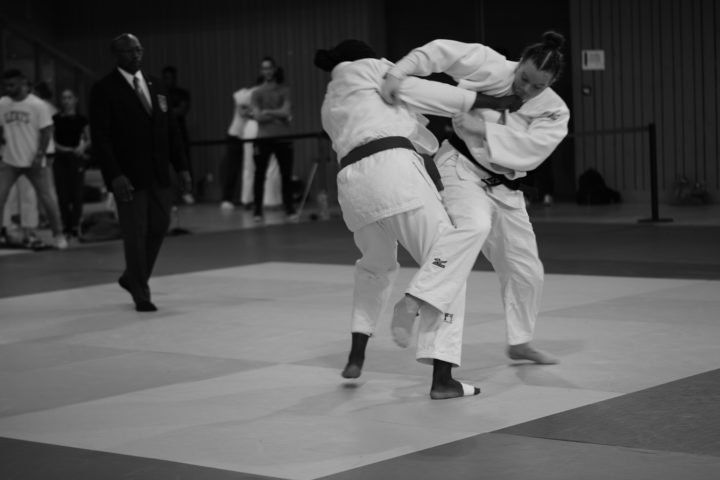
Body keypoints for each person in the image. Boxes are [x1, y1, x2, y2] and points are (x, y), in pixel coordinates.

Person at [316, 39, 522, 399]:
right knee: (448, 260)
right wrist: (491, 103)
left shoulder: (331, 100)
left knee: (375, 265)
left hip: (353, 187)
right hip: (394, 172)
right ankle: (442, 378)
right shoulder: (376, 70)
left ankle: (357, 352)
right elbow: (429, 94)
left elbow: (404, 129)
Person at [381, 32, 570, 364]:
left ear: (551, 84)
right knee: (475, 225)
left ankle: (520, 341)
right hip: (461, 166)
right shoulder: (491, 66)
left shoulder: (554, 110)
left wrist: (484, 129)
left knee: (526, 269)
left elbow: (534, 150)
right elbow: (440, 51)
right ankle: (411, 301)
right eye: (524, 78)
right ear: (520, 63)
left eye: (537, 86)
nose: (526, 89)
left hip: (505, 186)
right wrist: (398, 72)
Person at [89, 33, 191, 312]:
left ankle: (131, 277)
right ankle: (141, 292)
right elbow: (101, 138)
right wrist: (115, 175)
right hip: (128, 175)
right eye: (128, 51)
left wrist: (182, 167)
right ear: (116, 55)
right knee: (135, 232)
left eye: (138, 50)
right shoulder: (104, 89)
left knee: (159, 225)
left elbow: (172, 130)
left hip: (159, 171)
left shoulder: (156, 84)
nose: (135, 55)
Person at [0, 69, 67, 250]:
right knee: (1, 196)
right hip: (10, 160)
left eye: (12, 85)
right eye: (6, 85)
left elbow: (46, 131)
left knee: (47, 198)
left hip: (33, 161)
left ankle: (59, 234)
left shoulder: (38, 105)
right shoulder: (3, 103)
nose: (8, 89)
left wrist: (39, 155)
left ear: (22, 83)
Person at [249, 56, 296, 222]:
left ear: (274, 69)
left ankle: (289, 207)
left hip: (283, 137)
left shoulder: (285, 89)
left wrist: (268, 112)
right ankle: (257, 209)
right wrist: (277, 115)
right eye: (264, 68)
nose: (267, 71)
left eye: (269, 68)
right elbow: (257, 116)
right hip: (263, 137)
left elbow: (286, 112)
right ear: (261, 71)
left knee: (286, 173)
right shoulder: (256, 92)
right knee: (259, 174)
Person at [53, 88, 90, 238]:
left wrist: (82, 147)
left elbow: (89, 139)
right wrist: (64, 149)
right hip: (61, 158)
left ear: (75, 100)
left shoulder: (82, 119)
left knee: (77, 193)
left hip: (76, 157)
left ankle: (76, 224)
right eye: (64, 98)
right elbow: (52, 140)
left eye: (69, 97)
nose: (66, 101)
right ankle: (66, 224)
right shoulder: (56, 119)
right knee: (62, 194)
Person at [161, 66, 194, 205]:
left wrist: (166, 112)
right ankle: (167, 194)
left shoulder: (182, 93)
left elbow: (181, 110)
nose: (168, 81)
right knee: (163, 165)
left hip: (179, 133)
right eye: (165, 78)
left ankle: (187, 192)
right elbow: (159, 112)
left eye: (170, 78)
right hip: (163, 133)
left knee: (183, 162)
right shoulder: (160, 93)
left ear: (175, 78)